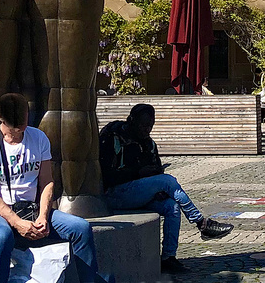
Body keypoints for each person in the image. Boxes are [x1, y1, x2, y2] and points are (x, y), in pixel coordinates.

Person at [0, 92, 110, 283]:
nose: (19, 130)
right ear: (0, 117)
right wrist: (16, 222)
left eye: (23, 123)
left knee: (81, 228)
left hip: (31, 208)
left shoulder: (38, 138)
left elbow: (47, 182)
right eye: (14, 126)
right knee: (2, 236)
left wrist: (43, 216)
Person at [99, 103, 233, 275]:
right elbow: (106, 176)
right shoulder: (113, 137)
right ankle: (201, 223)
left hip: (140, 195)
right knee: (167, 181)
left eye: (150, 126)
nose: (146, 130)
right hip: (115, 194)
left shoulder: (149, 144)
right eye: (143, 125)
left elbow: (157, 169)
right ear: (131, 120)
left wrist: (156, 186)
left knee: (172, 206)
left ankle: (168, 257)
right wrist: (138, 173)